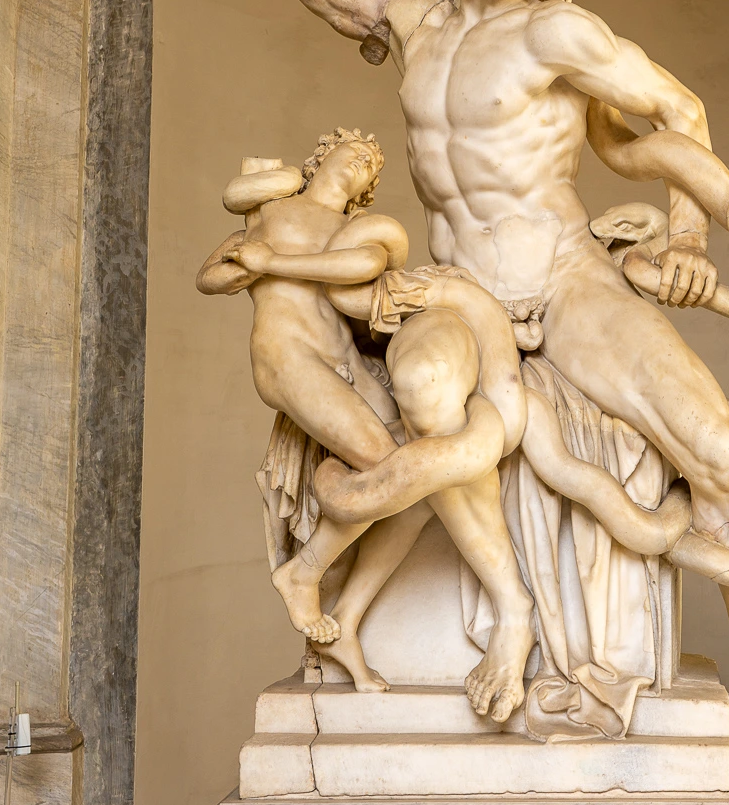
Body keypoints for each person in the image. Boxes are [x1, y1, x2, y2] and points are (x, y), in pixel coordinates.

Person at [273, 0, 729, 767]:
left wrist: (688, 238)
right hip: (458, 288)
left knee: (718, 445)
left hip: (566, 278)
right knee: (424, 391)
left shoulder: (559, 33)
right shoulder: (417, 17)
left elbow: (679, 109)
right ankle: (511, 612)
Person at [197, 127, 535, 719]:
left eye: (370, 166)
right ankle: (303, 574)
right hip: (288, 356)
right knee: (390, 469)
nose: (360, 164)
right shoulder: (271, 212)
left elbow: (365, 273)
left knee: (415, 480)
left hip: (347, 363)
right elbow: (211, 277)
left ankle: (347, 619)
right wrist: (247, 264)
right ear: (320, 157)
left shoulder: (359, 231)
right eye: (352, 153)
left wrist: (274, 262)